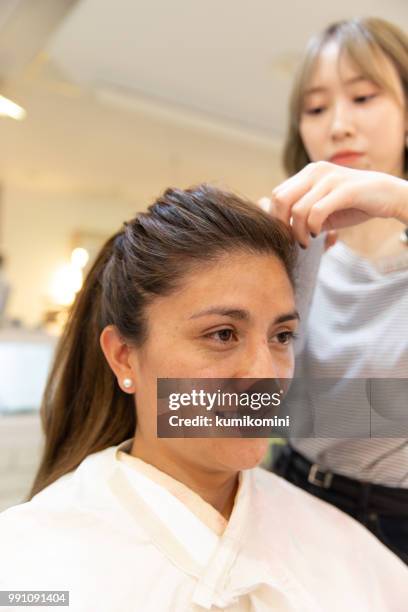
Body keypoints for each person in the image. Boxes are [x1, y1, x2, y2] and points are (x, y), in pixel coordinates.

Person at [0, 184, 407, 611]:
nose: (265, 375)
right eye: (223, 334)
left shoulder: (344, 548)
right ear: (123, 357)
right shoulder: (28, 566)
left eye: (281, 336)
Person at [263, 17, 408, 563]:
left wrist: (396, 198)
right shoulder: (293, 248)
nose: (338, 125)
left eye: (364, 96)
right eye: (317, 108)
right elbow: (249, 407)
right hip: (291, 493)